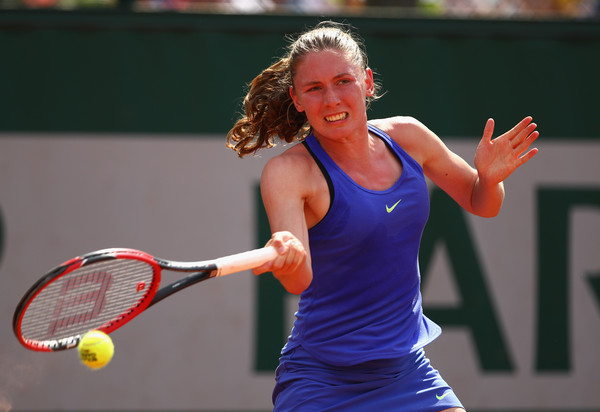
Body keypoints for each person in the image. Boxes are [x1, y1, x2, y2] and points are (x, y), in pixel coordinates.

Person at [227, 21, 539, 412]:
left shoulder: (409, 137)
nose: (332, 100)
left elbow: (483, 203)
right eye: (315, 88)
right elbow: (298, 280)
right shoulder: (289, 173)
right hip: (322, 378)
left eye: (343, 81)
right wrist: (287, 256)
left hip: (406, 370)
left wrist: (489, 179)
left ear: (368, 82)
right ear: (297, 98)